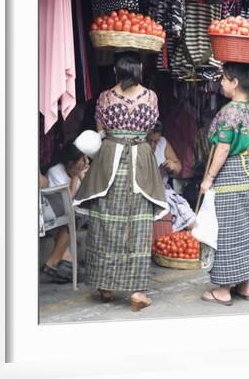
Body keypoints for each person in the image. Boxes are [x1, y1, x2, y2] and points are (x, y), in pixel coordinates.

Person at [74, 51, 168, 311]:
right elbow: (150, 129)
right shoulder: (150, 97)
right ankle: (137, 292)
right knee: (138, 226)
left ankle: (105, 287)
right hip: (140, 162)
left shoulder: (105, 97)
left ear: (116, 71)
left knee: (106, 224)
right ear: (138, 70)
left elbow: (100, 132)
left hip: (109, 161)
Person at [198, 61, 249, 305]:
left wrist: (208, 179)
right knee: (248, 229)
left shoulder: (230, 112)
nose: (220, 83)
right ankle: (245, 285)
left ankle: (224, 290)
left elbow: (223, 148)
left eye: (223, 79)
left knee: (227, 231)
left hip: (232, 175)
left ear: (235, 83)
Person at [40, 133, 98, 284]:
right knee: (73, 216)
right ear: (70, 163)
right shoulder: (56, 172)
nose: (86, 162)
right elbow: (65, 204)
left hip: (68, 216)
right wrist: (74, 179)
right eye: (82, 160)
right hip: (52, 214)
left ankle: (65, 262)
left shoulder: (82, 171)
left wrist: (83, 178)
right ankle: (55, 263)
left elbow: (90, 198)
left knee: (78, 216)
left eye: (86, 158)